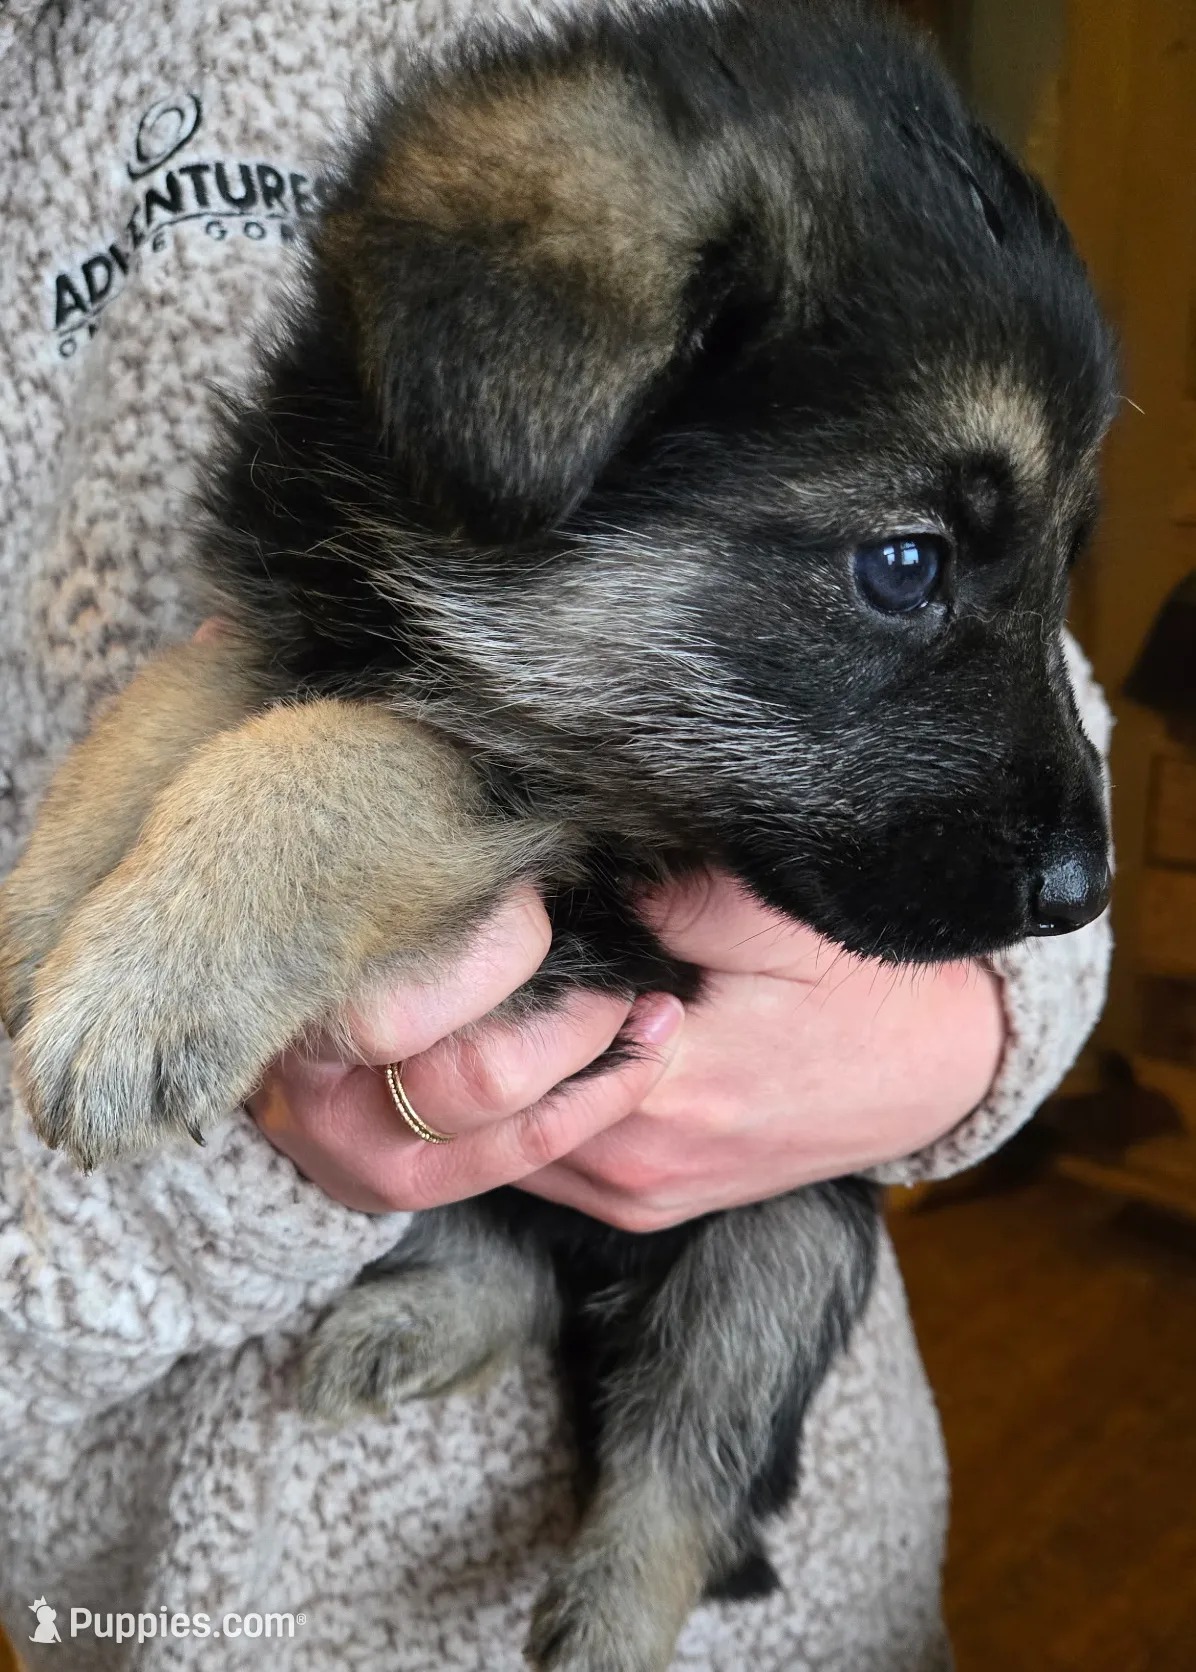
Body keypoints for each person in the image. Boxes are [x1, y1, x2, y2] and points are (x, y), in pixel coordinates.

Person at [0, 0, 1112, 1666]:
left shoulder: (793, 113)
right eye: (904, 570)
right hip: (188, 1595)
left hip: (823, 1596)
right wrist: (205, 1164)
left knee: (782, 1265)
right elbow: (341, 739)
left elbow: (1045, 880)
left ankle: (659, 1560)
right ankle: (499, 1277)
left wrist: (967, 1039)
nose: (1070, 847)